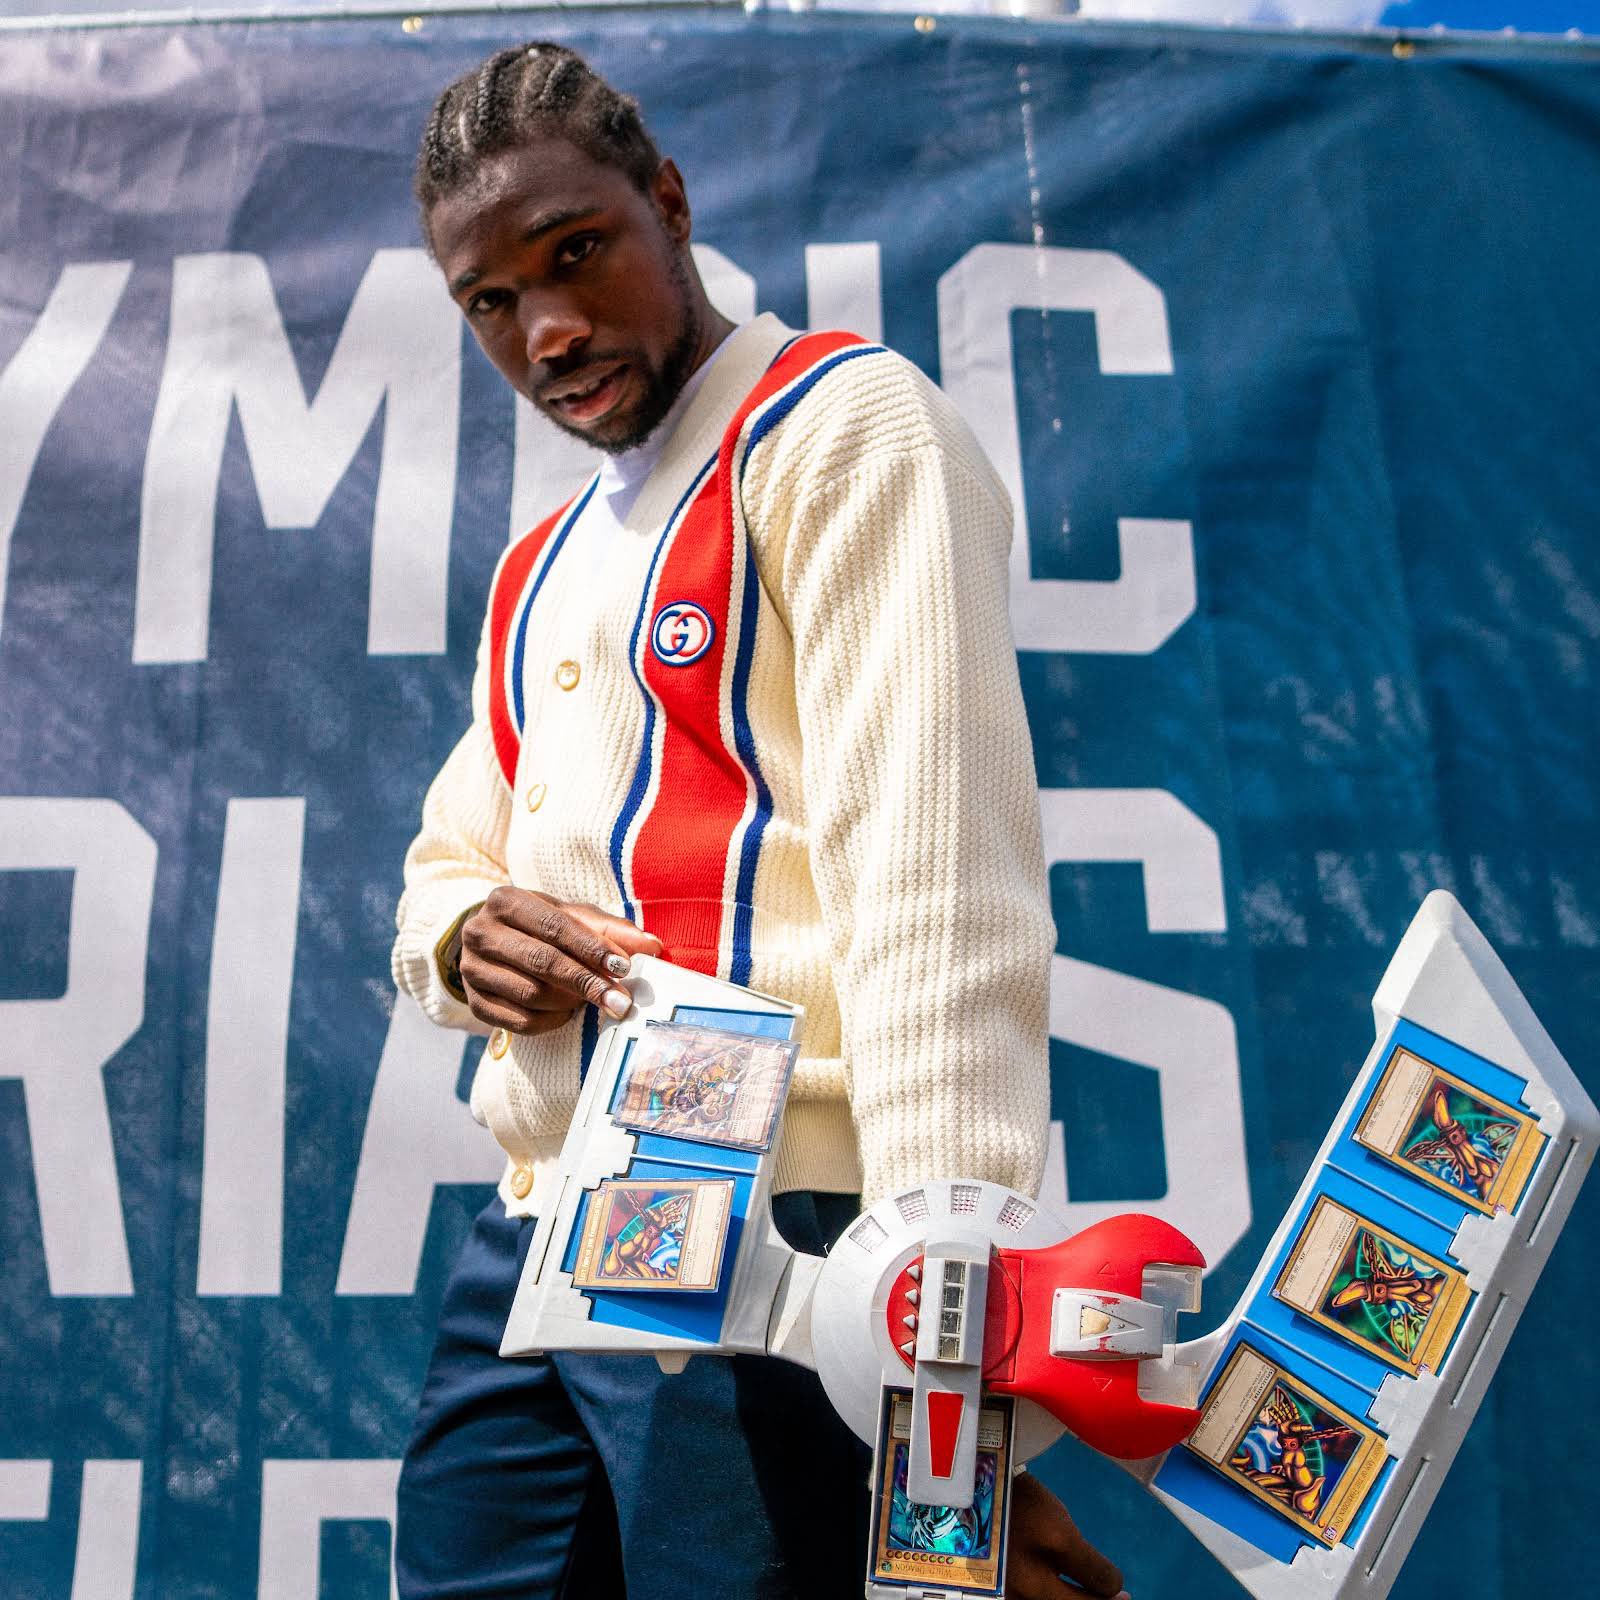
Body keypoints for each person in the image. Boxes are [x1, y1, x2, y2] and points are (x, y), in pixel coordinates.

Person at [391, 39, 1130, 1600]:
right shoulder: (541, 564)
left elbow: (938, 892)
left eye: (575, 252)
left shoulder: (846, 427)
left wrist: (948, 1389)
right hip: (540, 1230)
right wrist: (464, 941)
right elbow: (447, 863)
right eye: (492, 301)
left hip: (781, 1229)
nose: (548, 328)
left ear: (667, 201)